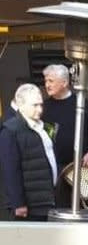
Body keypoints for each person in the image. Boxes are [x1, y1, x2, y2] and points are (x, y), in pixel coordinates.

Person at [0, 84, 57, 222]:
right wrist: (18, 203)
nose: (40, 109)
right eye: (35, 105)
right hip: (30, 204)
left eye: (41, 105)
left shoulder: (42, 127)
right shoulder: (11, 130)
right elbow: (11, 170)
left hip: (46, 198)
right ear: (21, 105)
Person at [42, 64, 88, 173]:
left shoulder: (82, 103)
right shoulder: (44, 107)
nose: (47, 85)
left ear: (64, 83)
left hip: (82, 167)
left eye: (51, 81)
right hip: (54, 168)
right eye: (46, 81)